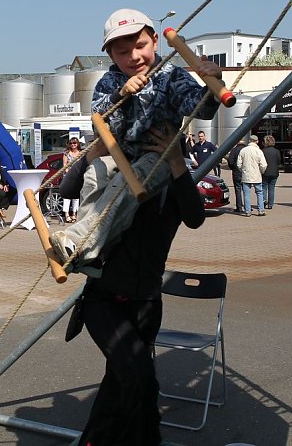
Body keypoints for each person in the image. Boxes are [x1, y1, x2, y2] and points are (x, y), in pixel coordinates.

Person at [60, 124, 206, 445]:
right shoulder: (122, 173)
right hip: (104, 299)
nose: (152, 149)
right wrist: (95, 153)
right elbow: (67, 191)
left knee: (120, 382)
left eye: (160, 143)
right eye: (147, 143)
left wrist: (177, 162)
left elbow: (195, 217)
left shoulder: (172, 183)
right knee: (140, 379)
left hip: (147, 302)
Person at [48, 8, 221, 273]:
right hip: (119, 154)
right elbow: (98, 112)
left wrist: (213, 85)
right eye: (123, 52)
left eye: (140, 46)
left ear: (154, 40)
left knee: (124, 182)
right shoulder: (110, 81)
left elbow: (201, 108)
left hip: (158, 156)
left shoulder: (171, 76)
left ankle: (80, 242)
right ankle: (87, 249)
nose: (134, 57)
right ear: (110, 55)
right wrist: (120, 94)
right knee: (96, 173)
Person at [237, 135, 268, 216]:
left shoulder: (243, 150)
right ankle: (261, 210)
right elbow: (264, 164)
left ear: (249, 141)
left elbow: (239, 164)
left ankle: (247, 211)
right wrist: (261, 171)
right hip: (256, 175)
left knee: (246, 194)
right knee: (259, 192)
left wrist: (243, 170)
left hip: (246, 175)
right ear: (257, 141)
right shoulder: (259, 151)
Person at [61, 138, 82, 222]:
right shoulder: (66, 154)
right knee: (67, 197)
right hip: (68, 177)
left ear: (77, 144)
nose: (73, 144)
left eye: (75, 143)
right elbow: (64, 165)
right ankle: (66, 214)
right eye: (71, 143)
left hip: (77, 177)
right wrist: (70, 173)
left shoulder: (81, 153)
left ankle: (74, 214)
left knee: (76, 197)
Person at [261, 135, 282, 209]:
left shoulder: (262, 151)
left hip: (265, 172)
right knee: (271, 188)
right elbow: (279, 161)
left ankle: (263, 201)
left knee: (264, 187)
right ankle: (270, 204)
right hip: (274, 172)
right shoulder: (277, 151)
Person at [227, 139, 247, 213]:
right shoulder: (246, 149)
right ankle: (247, 207)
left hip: (237, 172)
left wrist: (233, 168)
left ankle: (239, 207)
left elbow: (230, 161)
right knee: (246, 190)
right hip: (246, 173)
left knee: (238, 190)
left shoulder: (234, 150)